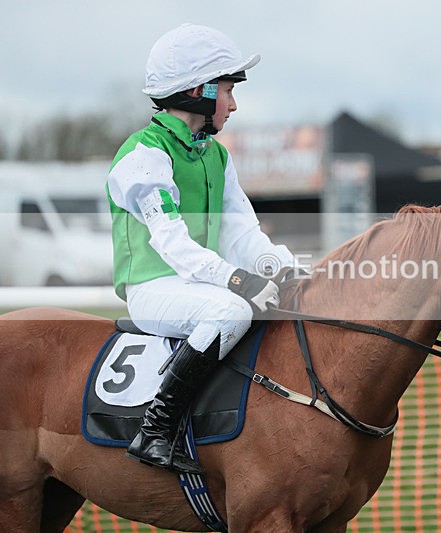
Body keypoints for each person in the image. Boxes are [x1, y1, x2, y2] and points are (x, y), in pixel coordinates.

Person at [107, 23, 295, 475]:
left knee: (268, 303)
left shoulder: (216, 155)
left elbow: (242, 234)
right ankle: (156, 429)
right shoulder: (142, 156)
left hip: (196, 285)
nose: (233, 104)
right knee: (233, 311)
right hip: (152, 288)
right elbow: (172, 244)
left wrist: (285, 268)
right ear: (199, 90)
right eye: (227, 91)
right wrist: (237, 279)